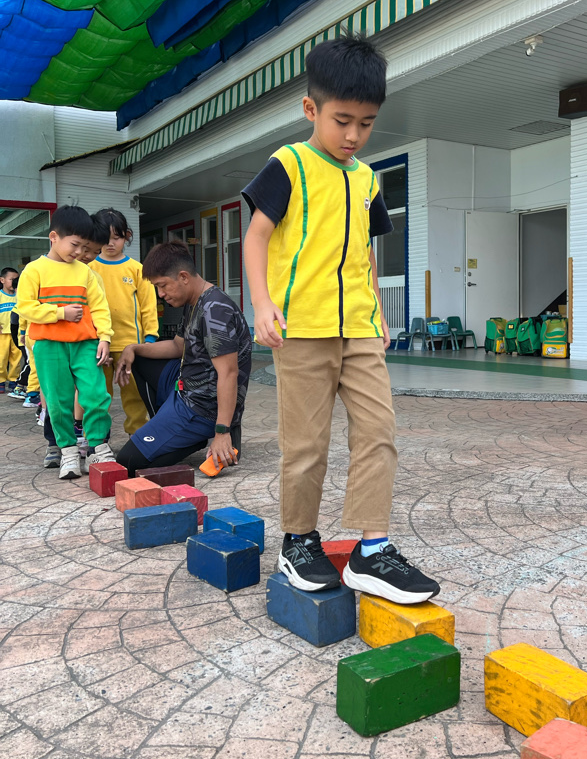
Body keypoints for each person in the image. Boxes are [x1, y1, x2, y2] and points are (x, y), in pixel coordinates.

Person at [242, 33, 439, 605]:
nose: (354, 135)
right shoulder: (289, 165)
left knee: (379, 432)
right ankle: (298, 541)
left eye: (367, 123)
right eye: (342, 120)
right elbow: (256, 238)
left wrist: (376, 310)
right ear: (312, 109)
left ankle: (371, 550)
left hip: (360, 326)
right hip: (301, 327)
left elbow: (364, 252)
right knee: (306, 443)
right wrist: (262, 304)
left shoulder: (367, 178)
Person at [113, 241, 251, 474]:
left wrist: (222, 431)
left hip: (202, 407)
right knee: (141, 357)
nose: (160, 294)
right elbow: (178, 346)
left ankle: (198, 435)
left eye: (163, 286)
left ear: (183, 277)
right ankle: (166, 426)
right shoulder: (194, 301)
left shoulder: (215, 312)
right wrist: (133, 348)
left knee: (128, 461)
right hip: (185, 384)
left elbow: (229, 374)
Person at [14, 205, 115, 480]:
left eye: (84, 246)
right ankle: (67, 451)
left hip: (85, 343)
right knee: (58, 402)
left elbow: (100, 307)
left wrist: (105, 337)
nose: (80, 252)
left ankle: (97, 447)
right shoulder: (34, 270)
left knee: (96, 394)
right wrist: (60, 313)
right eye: (75, 245)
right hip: (49, 345)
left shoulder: (85, 273)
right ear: (54, 237)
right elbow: (25, 307)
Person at [89, 207, 158, 436]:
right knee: (98, 394)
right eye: (105, 238)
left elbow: (149, 306)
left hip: (131, 345)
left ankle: (137, 433)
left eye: (116, 238)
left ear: (127, 236)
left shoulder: (137, 269)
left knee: (134, 394)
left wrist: (149, 339)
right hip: (98, 344)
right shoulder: (88, 269)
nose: (110, 243)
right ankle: (98, 437)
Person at [0, 266, 21, 394]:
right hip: (2, 333)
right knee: (1, 358)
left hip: (16, 333)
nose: (14, 282)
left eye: (16, 279)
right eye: (11, 279)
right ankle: (1, 381)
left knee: (16, 358)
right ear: (2, 280)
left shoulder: (19, 295)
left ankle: (14, 380)